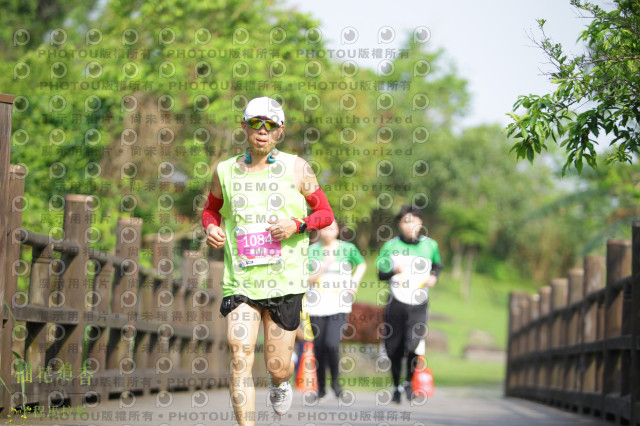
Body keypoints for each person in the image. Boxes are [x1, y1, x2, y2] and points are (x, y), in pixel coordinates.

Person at [202, 96, 333, 425]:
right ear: (243, 126)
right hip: (241, 280)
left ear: (280, 132)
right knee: (240, 354)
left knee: (277, 365)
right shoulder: (225, 171)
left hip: (284, 281)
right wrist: (211, 228)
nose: (262, 130)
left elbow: (325, 214)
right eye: (256, 123)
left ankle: (280, 381)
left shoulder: (296, 168)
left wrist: (296, 225)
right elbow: (210, 210)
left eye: (270, 125)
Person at [375, 205, 442, 404]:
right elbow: (380, 274)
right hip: (396, 301)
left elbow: (437, 265)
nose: (410, 225)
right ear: (399, 224)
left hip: (419, 303)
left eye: (413, 220)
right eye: (405, 221)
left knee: (413, 345)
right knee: (394, 348)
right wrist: (394, 270)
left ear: (420, 223)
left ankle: (408, 383)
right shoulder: (390, 246)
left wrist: (434, 277)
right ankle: (396, 386)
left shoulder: (431, 246)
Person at [306, 220, 366, 400]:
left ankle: (336, 384)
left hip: (339, 305)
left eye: (331, 227)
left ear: (338, 229)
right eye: (324, 227)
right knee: (318, 347)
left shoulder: (347, 249)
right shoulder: (311, 250)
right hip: (316, 306)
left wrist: (354, 282)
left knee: (332, 344)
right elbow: (307, 279)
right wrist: (324, 264)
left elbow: (362, 264)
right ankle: (321, 387)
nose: (328, 231)